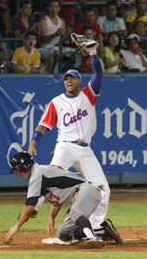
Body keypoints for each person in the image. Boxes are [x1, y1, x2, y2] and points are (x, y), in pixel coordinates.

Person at [28, 38, 111, 232]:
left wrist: (92, 53)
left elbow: (98, 73)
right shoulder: (56, 102)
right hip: (65, 146)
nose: (68, 81)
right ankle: (34, 206)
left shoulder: (88, 95)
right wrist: (33, 143)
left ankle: (97, 225)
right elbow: (43, 126)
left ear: (79, 81)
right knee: (48, 175)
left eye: (72, 78)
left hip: (85, 149)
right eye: (66, 78)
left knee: (103, 188)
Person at [5, 152, 122, 248]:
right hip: (82, 194)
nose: (18, 173)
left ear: (26, 166)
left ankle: (93, 238)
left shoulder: (38, 174)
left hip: (88, 190)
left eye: (19, 170)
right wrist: (51, 217)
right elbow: (58, 196)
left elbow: (29, 206)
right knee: (63, 234)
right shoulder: (39, 174)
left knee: (76, 212)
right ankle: (102, 230)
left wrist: (17, 226)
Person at [37, 0, 73, 73]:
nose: (54, 9)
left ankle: (66, 70)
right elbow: (41, 39)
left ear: (59, 9)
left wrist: (66, 37)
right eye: (52, 7)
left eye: (56, 7)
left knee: (77, 52)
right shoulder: (44, 21)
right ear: (48, 8)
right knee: (56, 53)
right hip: (46, 47)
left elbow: (65, 40)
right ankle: (51, 73)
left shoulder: (62, 21)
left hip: (59, 47)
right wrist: (55, 34)